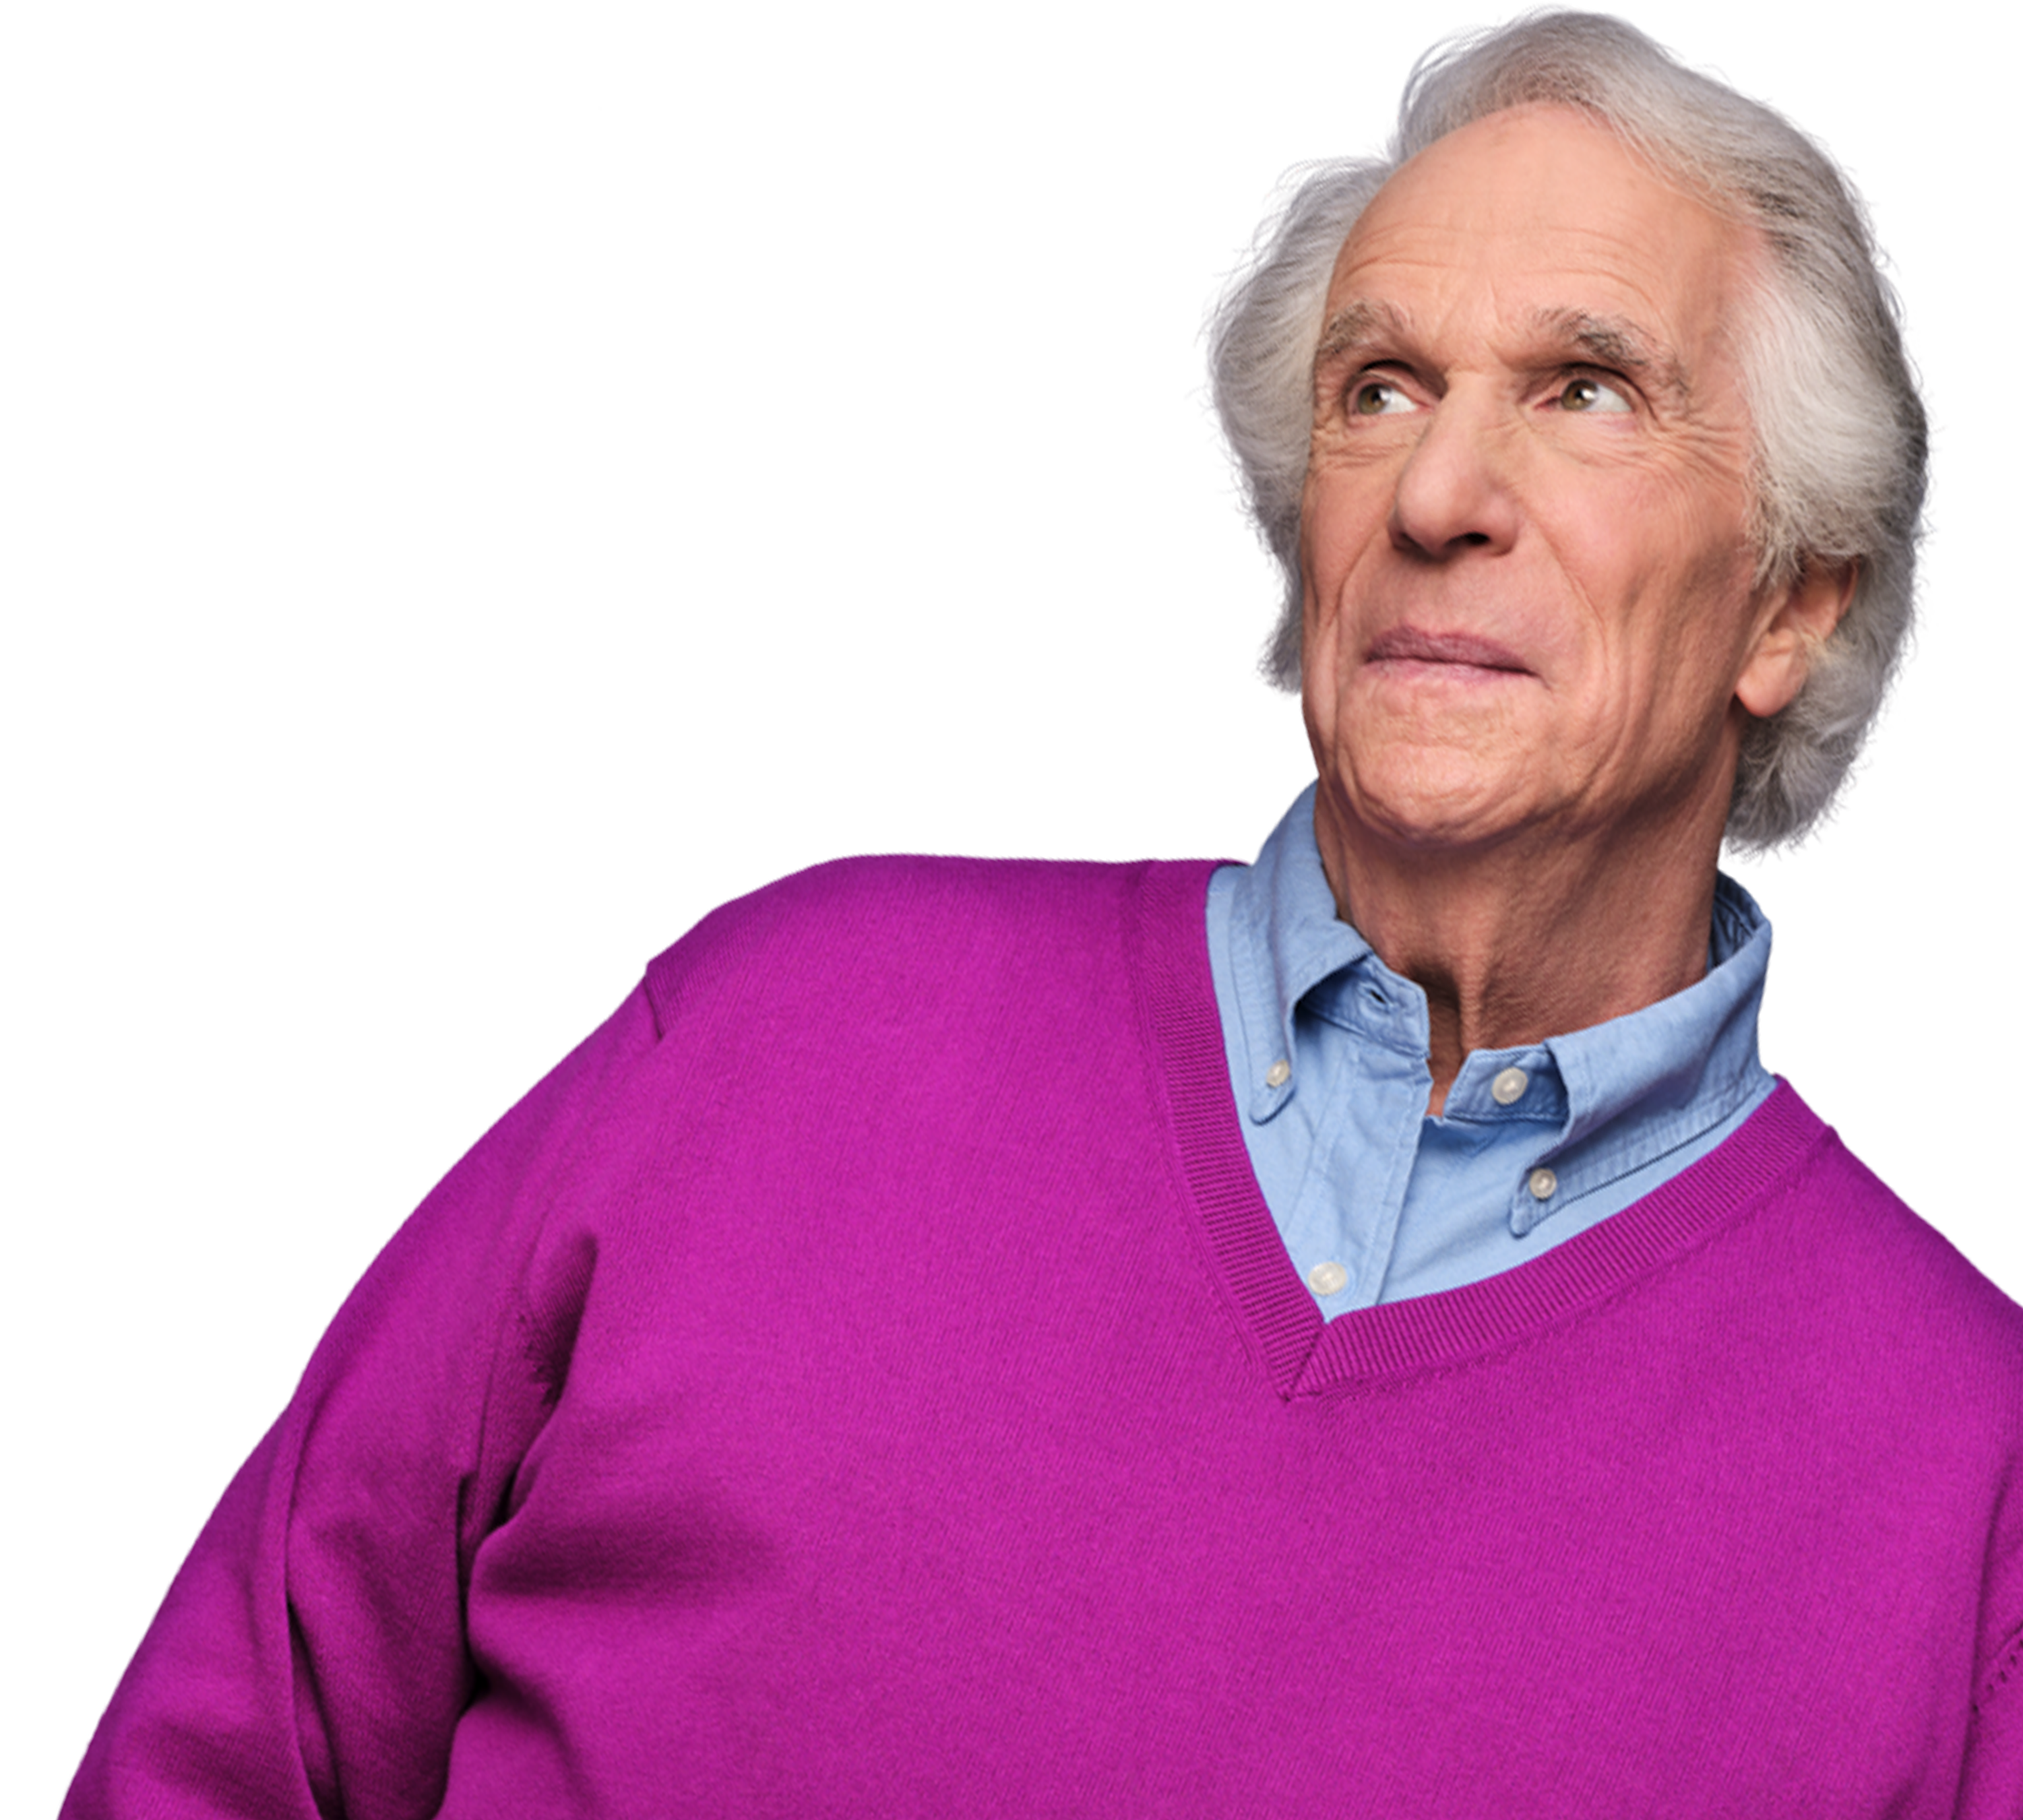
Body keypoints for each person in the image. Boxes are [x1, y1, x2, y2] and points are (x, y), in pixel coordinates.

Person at [66, 13, 2023, 1815]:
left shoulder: (1964, 1489)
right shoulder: (784, 1038)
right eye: (1380, 388)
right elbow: (230, 1741)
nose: (1438, 491)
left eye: (1585, 391)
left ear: (1793, 601)